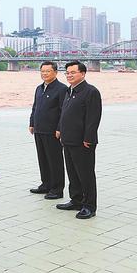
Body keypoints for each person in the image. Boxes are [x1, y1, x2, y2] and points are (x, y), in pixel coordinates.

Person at [55, 61, 102, 220]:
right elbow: (64, 113)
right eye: (67, 73)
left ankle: (89, 206)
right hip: (68, 139)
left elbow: (93, 118)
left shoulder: (91, 92)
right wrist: (60, 130)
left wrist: (89, 138)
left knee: (85, 174)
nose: (69, 75)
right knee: (73, 173)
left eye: (73, 72)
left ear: (82, 73)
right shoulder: (69, 90)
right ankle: (76, 200)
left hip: (83, 142)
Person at [28, 62, 68, 200]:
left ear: (55, 72)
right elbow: (35, 107)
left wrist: (59, 128)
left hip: (52, 132)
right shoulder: (39, 88)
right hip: (39, 129)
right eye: (42, 71)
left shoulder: (62, 89)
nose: (44, 74)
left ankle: (57, 189)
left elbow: (64, 111)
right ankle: (46, 184)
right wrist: (32, 123)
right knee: (43, 159)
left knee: (54, 160)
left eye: (48, 71)